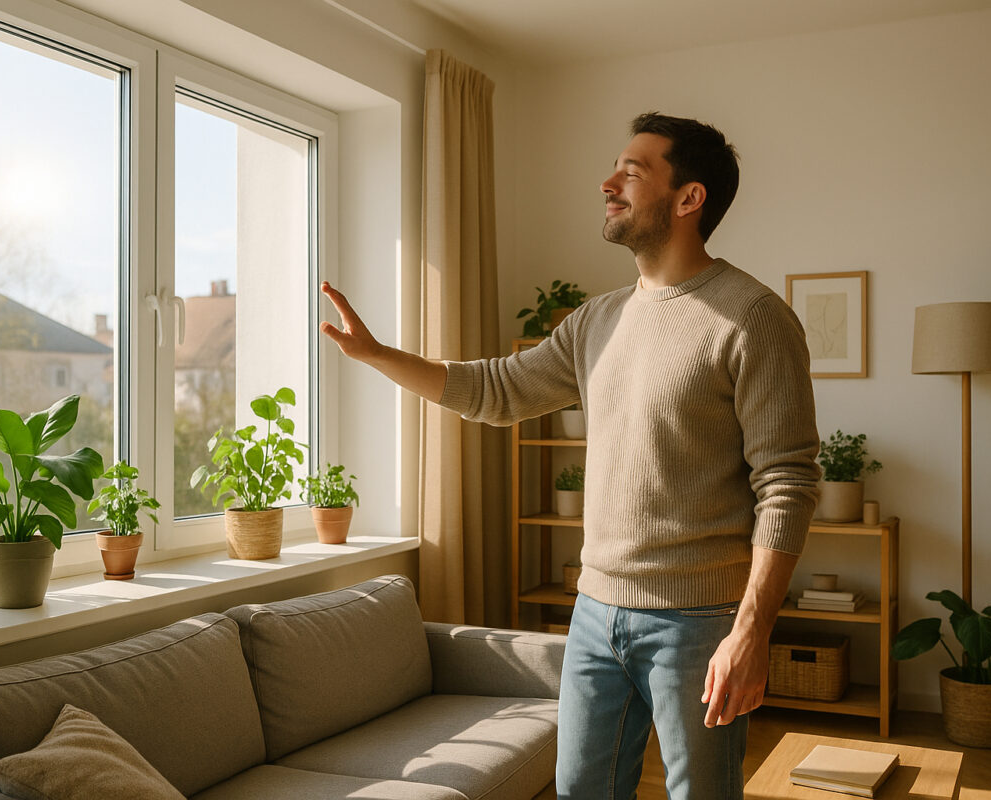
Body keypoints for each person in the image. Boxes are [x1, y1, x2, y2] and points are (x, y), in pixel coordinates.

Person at [320, 111, 820, 800]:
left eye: (633, 171)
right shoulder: (595, 319)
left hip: (699, 619)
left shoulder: (753, 317)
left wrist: (751, 631)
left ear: (688, 198)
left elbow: (787, 483)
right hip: (594, 612)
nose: (608, 182)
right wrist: (377, 356)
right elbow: (495, 390)